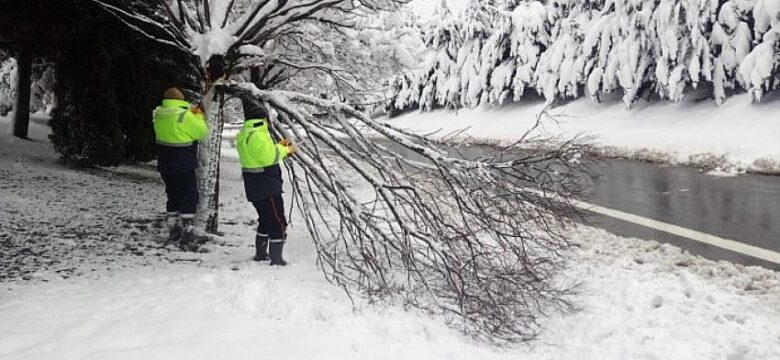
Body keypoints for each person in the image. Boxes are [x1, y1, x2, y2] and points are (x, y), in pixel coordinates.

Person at [236, 102, 294, 265]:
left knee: (265, 219)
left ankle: (261, 254)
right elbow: (268, 157)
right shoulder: (259, 134)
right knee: (277, 222)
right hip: (267, 186)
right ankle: (276, 259)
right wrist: (286, 150)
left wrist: (277, 147)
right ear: (264, 118)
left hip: (255, 186)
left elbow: (260, 154)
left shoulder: (245, 133)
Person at [153, 87, 208, 250]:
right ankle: (187, 230)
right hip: (183, 163)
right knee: (189, 196)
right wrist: (198, 115)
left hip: (165, 163)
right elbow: (201, 131)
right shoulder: (185, 115)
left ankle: (172, 228)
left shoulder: (159, 114)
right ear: (181, 99)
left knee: (173, 194)